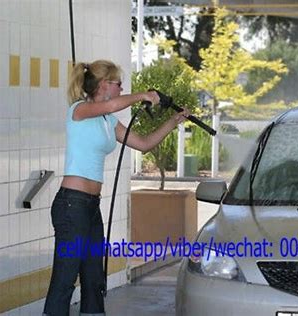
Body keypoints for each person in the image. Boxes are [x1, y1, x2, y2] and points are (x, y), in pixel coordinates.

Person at [43, 60, 189, 315]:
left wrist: (173, 122)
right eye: (118, 83)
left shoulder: (108, 121)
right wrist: (142, 95)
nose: (122, 88)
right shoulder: (79, 110)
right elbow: (112, 104)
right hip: (71, 205)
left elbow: (143, 143)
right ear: (103, 85)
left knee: (93, 279)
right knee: (65, 279)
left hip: (89, 207)